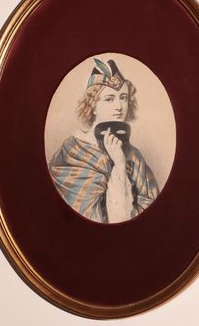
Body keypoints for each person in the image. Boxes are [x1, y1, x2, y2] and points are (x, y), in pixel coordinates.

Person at [49, 58, 159, 223]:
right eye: (109, 99)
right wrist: (119, 167)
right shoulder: (70, 153)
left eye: (123, 98)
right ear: (93, 106)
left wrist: (120, 162)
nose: (119, 107)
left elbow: (151, 208)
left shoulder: (134, 155)